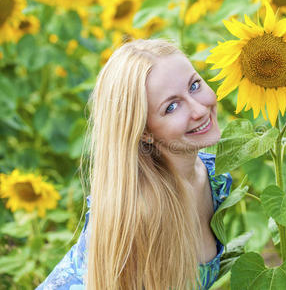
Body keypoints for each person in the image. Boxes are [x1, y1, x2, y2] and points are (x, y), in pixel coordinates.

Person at [36, 39, 233, 290]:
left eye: (194, 86)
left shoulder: (209, 172)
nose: (199, 109)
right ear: (143, 132)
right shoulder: (145, 212)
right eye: (171, 107)